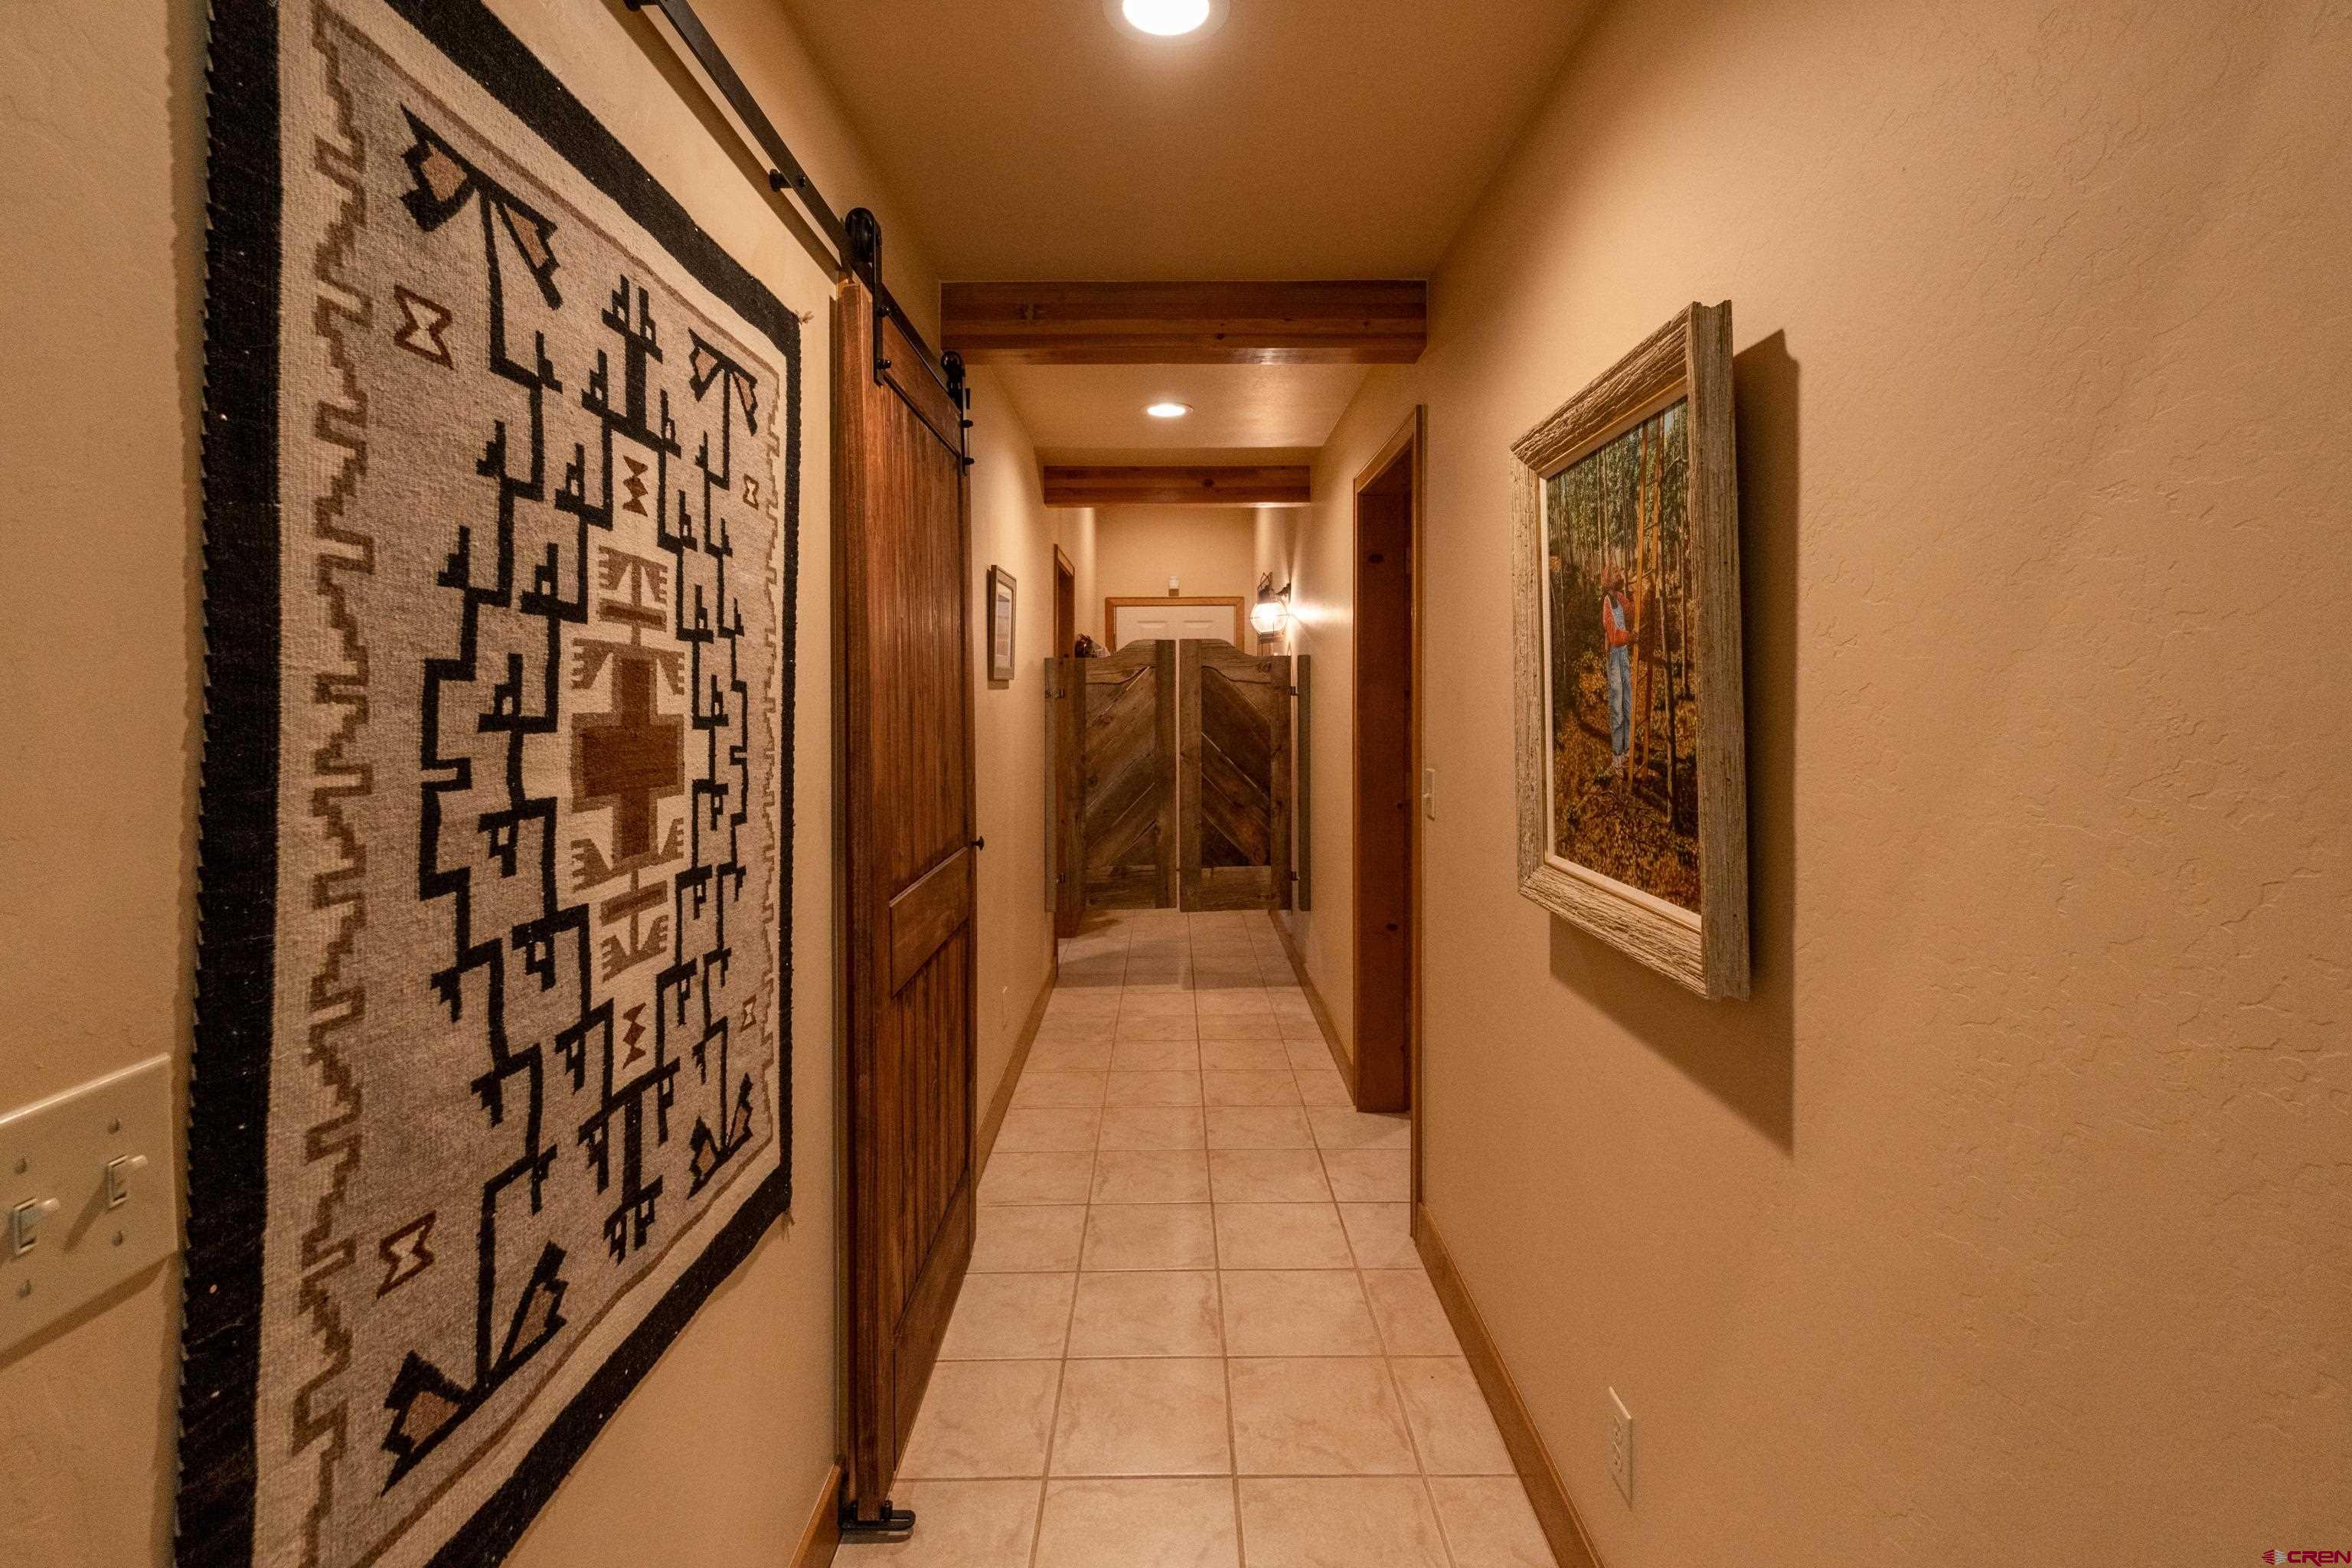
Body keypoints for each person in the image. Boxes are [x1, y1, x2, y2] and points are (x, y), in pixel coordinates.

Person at [1599, 567, 1635, 782]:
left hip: (1625, 655)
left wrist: (1634, 594)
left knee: (1628, 703)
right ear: (1607, 581)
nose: (1618, 575)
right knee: (1617, 707)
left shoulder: (1620, 597)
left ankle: (1628, 750)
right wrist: (1630, 637)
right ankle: (1617, 757)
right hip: (1615, 656)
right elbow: (1613, 635)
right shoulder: (1606, 602)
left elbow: (1630, 613)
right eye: (1615, 574)